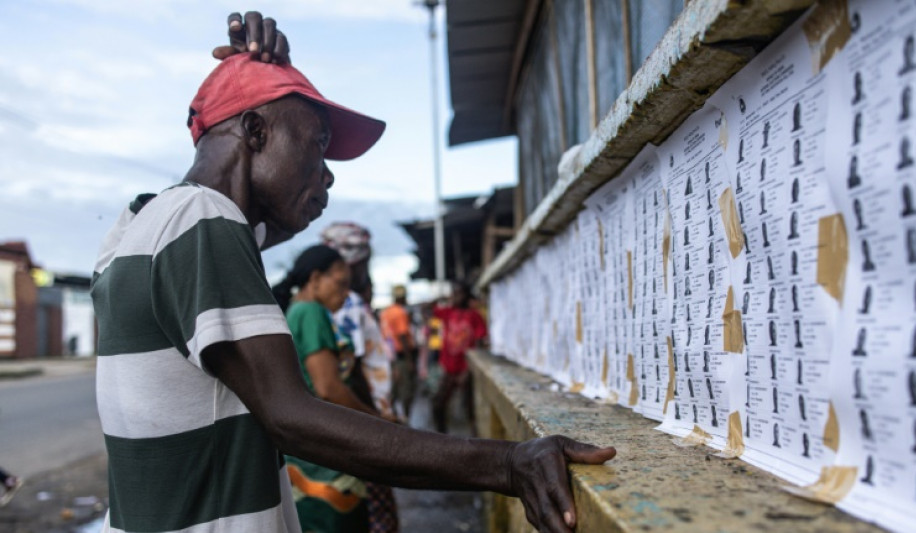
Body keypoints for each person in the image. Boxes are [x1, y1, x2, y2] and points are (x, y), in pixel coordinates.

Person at [90, 12, 614, 533]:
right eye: (317, 143)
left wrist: (271, 86)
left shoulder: (132, 232)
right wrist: (507, 464)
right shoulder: (203, 218)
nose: (329, 173)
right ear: (254, 130)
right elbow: (290, 416)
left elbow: (252, 216)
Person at [273, 244, 385, 532]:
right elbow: (328, 388)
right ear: (315, 279)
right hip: (325, 454)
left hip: (305, 451)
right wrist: (375, 420)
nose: (346, 293)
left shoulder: (294, 311)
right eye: (341, 283)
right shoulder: (312, 312)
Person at [320, 222, 400, 533]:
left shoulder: (332, 303)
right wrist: (378, 416)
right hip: (358, 414)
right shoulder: (346, 305)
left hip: (343, 419)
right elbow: (348, 371)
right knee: (372, 508)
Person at [431, 282, 488, 434]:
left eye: (459, 293)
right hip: (449, 369)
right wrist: (441, 297)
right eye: (453, 293)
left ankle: (476, 440)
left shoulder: (474, 315)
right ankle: (441, 438)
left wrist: (469, 370)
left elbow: (480, 342)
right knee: (438, 404)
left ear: (466, 295)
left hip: (465, 369)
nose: (456, 297)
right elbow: (429, 308)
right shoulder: (448, 312)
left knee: (470, 408)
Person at [380, 285, 417, 419]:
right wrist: (409, 360)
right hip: (401, 356)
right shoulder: (400, 312)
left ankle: (393, 417)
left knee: (393, 390)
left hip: (389, 357)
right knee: (406, 389)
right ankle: (404, 419)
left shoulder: (386, 312)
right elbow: (402, 336)